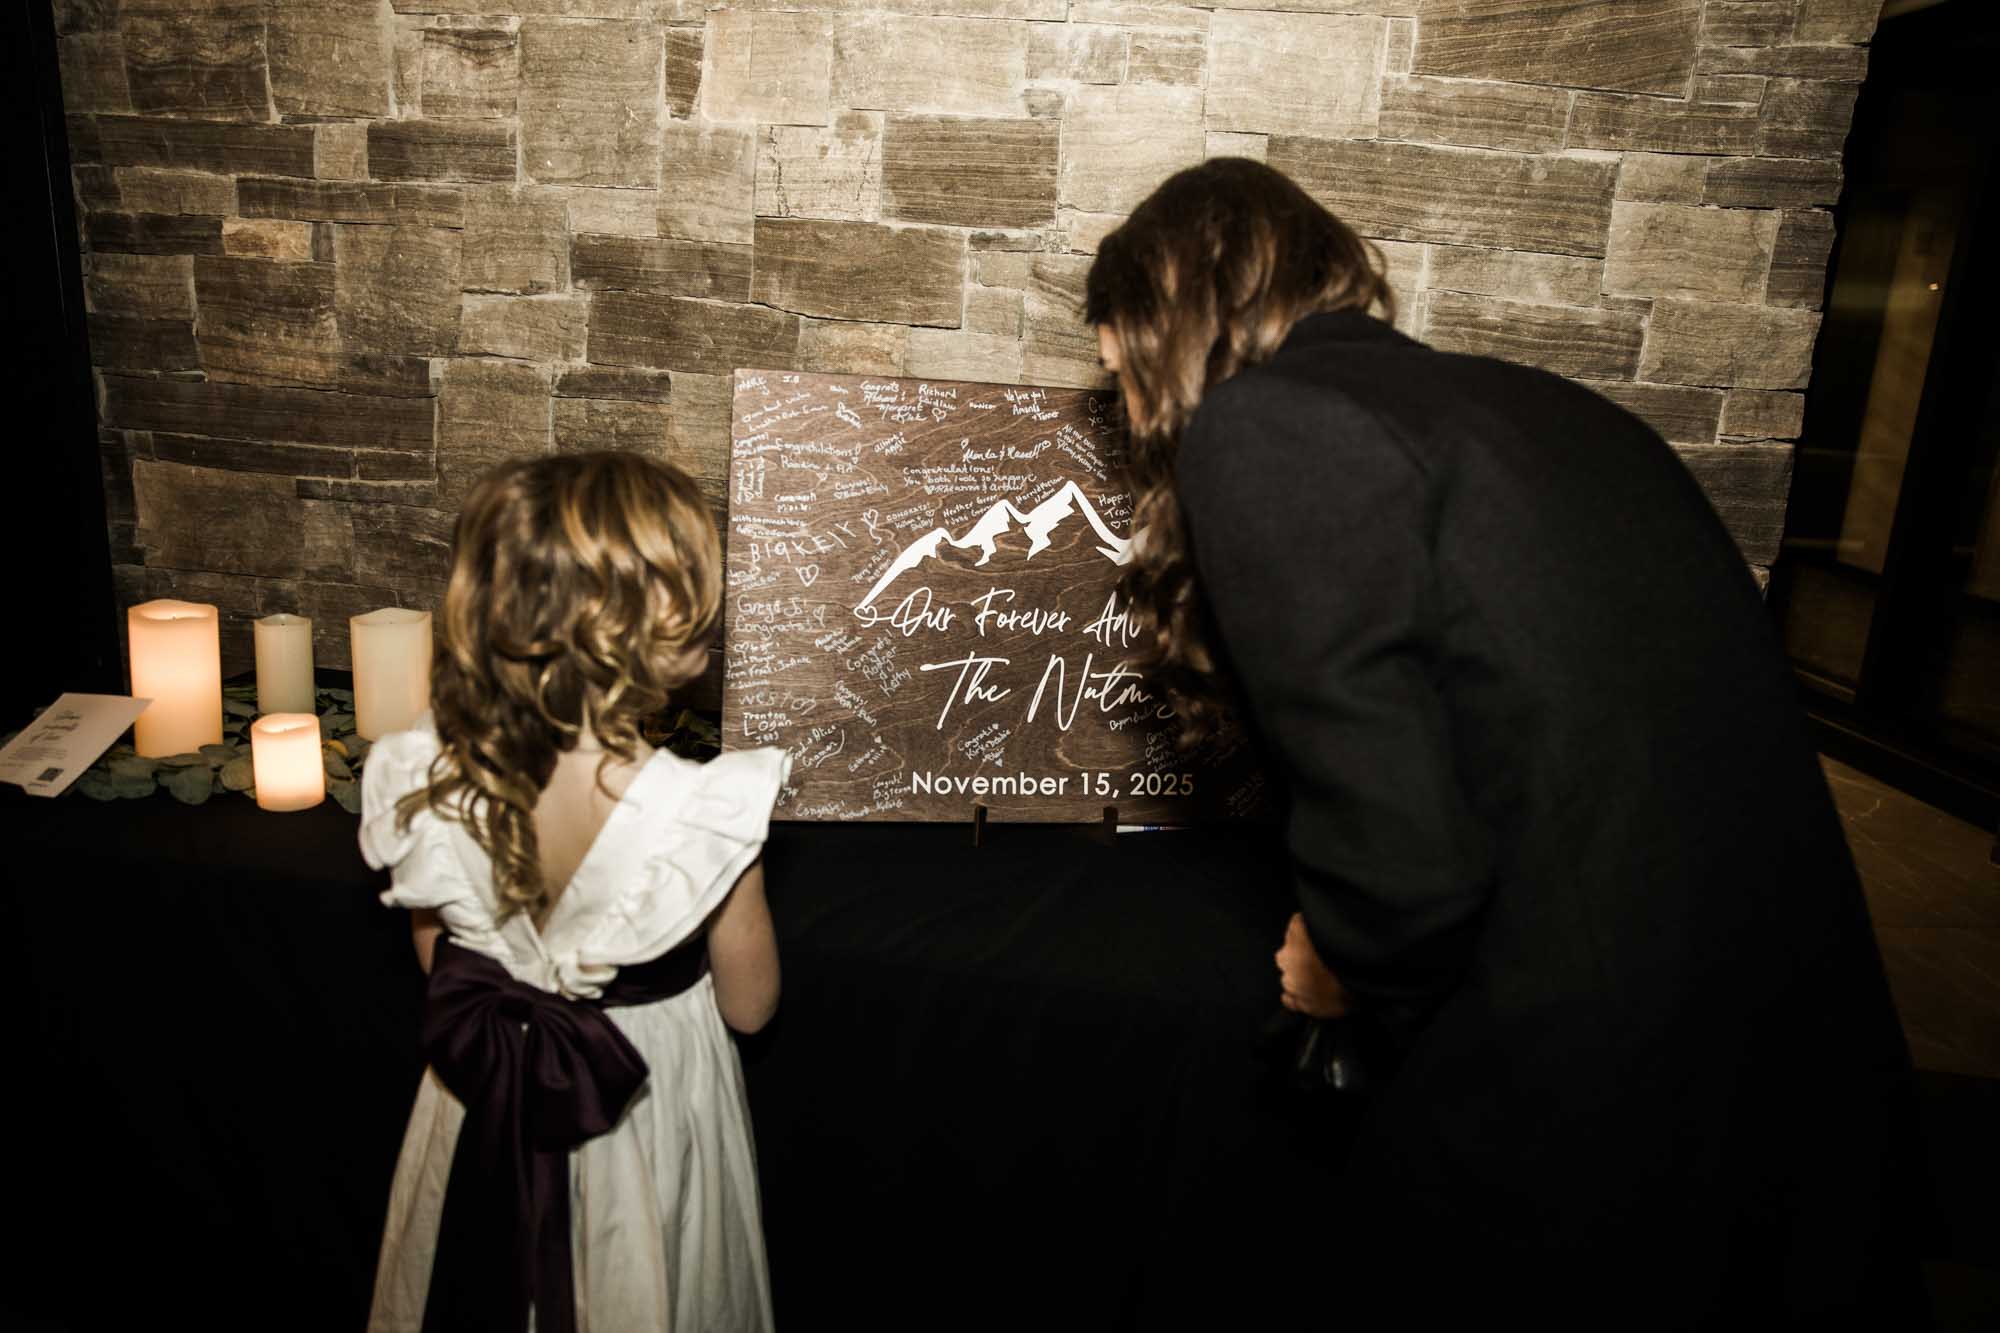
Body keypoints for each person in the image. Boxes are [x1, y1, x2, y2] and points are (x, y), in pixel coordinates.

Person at [1085, 158, 1926, 1324]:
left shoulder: (1266, 427)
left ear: (1166, 323)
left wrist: (1338, 956)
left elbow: (1401, 877)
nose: (1130, 417)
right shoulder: (1561, 411)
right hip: (1790, 1069)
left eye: (1121, 375)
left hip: (1589, 1108)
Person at [359, 451, 788, 1333]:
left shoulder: (430, 782)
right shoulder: (703, 815)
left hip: (483, 1113)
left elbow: (439, 957)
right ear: (649, 621)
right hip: (646, 1118)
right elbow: (751, 1005)